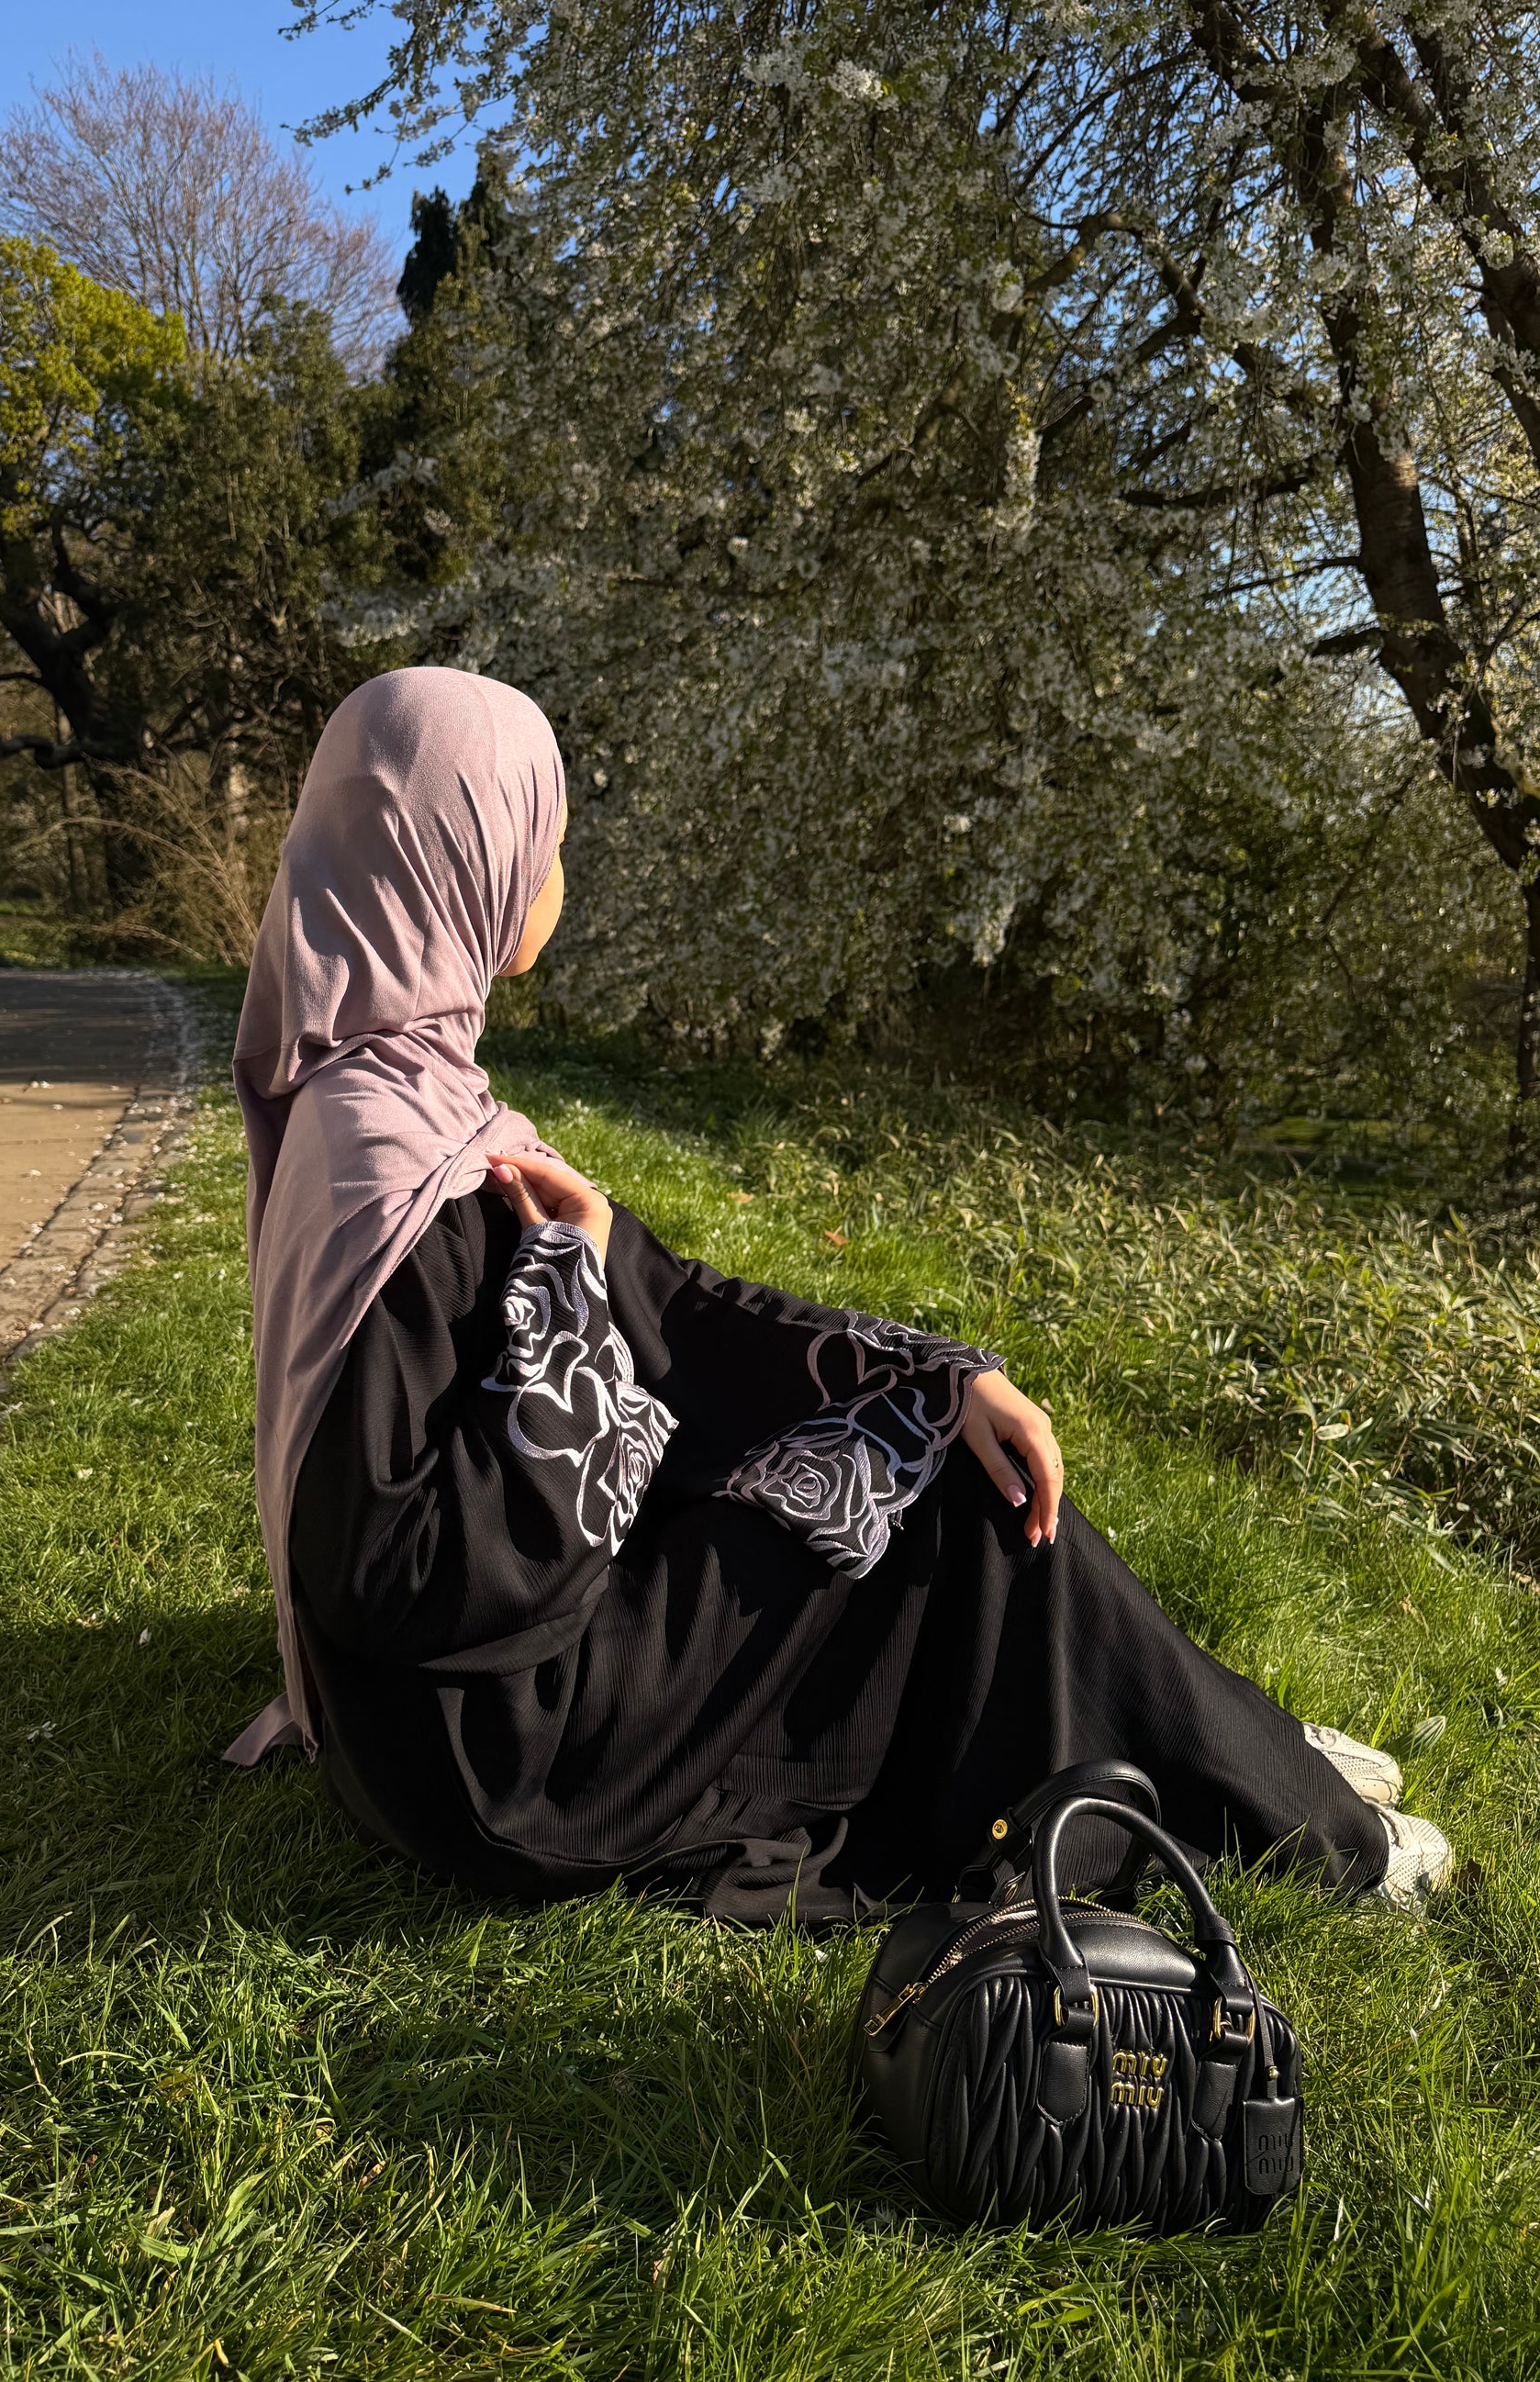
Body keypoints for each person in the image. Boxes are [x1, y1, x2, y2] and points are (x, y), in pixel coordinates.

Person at [226, 667, 1450, 1918]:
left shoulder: (403, 1103)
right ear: (463, 860)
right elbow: (391, 1570)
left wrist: (937, 1374)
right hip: (506, 1753)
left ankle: (1220, 1735)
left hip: (492, 1699)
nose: (556, 876)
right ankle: (1310, 1827)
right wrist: (569, 1295)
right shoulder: (399, 1164)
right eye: (545, 839)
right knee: (953, 1500)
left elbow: (675, 1311)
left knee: (919, 1438)